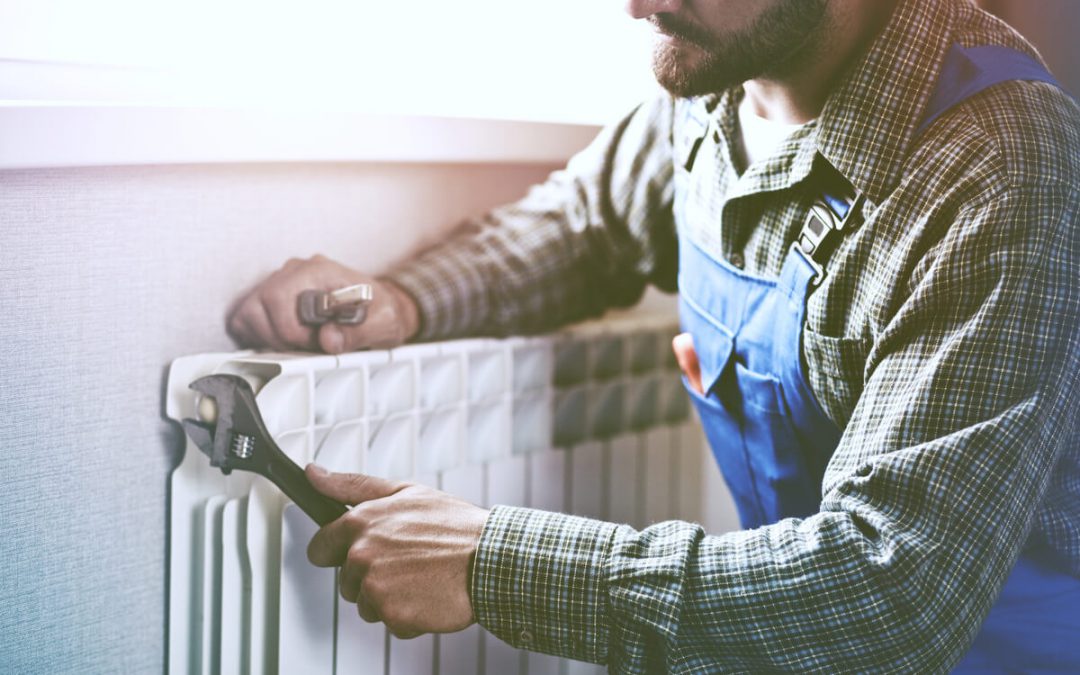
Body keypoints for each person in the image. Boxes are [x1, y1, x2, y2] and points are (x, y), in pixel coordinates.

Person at [227, 0, 1080, 671]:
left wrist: (495, 561)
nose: (638, 5)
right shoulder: (715, 88)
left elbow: (894, 589)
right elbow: (581, 225)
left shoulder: (1004, 164)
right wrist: (402, 299)